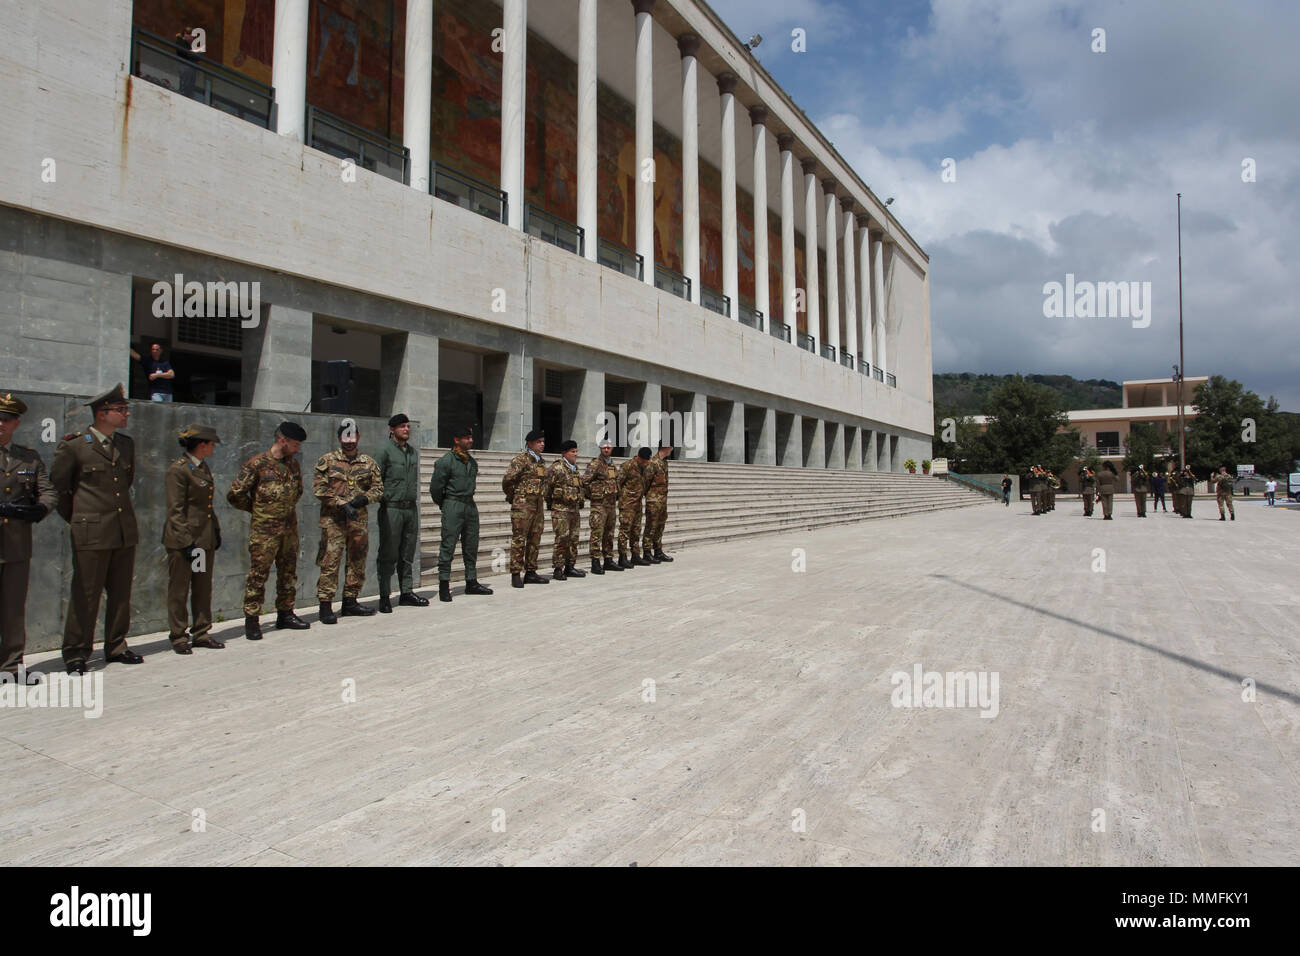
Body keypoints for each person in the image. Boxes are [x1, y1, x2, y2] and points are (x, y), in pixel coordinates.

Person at [51, 384, 142, 672]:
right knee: (85, 594)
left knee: (121, 593)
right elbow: (59, 490)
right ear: (103, 414)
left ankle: (116, 645)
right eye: (120, 410)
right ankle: (77, 652)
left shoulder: (125, 444)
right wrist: (81, 518)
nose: (126, 414)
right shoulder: (75, 445)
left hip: (122, 529)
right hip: (91, 531)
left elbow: (124, 484)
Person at [227, 421, 310, 640]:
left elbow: (298, 491)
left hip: (288, 529)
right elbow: (235, 493)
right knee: (258, 575)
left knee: (288, 573)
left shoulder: (293, 465)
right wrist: (258, 510)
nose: (298, 448)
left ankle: (285, 613)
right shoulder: (258, 464)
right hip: (265, 531)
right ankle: (252, 620)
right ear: (282, 441)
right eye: (295, 444)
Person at [0, 392, 56, 683]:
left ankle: (10, 667)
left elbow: (48, 491)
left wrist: (40, 508)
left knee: (12, 608)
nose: (0, 424)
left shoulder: (28, 458)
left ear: (16, 423)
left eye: (6, 419)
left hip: (16, 544)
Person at [312, 423, 383, 622]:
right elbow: (319, 488)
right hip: (334, 520)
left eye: (352, 438)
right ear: (339, 439)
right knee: (330, 562)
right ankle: (325, 605)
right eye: (346, 439)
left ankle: (350, 601)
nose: (349, 442)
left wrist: (363, 499)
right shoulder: (327, 460)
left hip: (358, 521)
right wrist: (341, 504)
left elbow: (378, 488)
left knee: (357, 560)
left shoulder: (367, 462)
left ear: (358, 437)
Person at [162, 424, 223, 654]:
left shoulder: (202, 467)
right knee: (179, 589)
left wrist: (215, 530)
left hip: (202, 540)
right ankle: (179, 636)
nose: (213, 448)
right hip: (183, 541)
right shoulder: (178, 470)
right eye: (211, 444)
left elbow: (205, 506)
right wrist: (186, 541)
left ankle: (201, 632)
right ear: (201, 445)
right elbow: (175, 510)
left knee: (201, 586)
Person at [428, 424, 493, 601]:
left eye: (471, 438)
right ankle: (444, 584)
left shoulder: (472, 462)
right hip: (453, 504)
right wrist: (446, 504)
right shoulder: (445, 462)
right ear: (457, 440)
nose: (470, 441)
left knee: (471, 545)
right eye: (466, 438)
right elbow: (435, 488)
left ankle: (471, 581)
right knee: (448, 545)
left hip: (469, 505)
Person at [374, 413, 426, 612]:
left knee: (407, 552)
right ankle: (385, 595)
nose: (406, 429)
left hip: (410, 508)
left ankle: (406, 592)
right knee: (388, 552)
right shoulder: (384, 451)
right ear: (392, 429)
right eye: (402, 426)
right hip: (391, 508)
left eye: (408, 426)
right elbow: (374, 479)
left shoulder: (412, 452)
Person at [502, 429, 549, 588]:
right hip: (523, 506)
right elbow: (508, 480)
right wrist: (514, 496)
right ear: (529, 443)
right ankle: (516, 573)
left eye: (543, 442)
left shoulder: (541, 461)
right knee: (519, 539)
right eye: (539, 442)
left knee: (535, 539)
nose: (542, 444)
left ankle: (531, 571)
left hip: (537, 506)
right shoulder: (521, 460)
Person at [544, 440, 586, 581]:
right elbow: (547, 488)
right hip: (561, 510)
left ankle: (570, 566)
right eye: (572, 451)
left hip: (574, 510)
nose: (575, 454)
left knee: (573, 539)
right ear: (564, 453)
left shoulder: (575, 469)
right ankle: (558, 568)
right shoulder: (556, 468)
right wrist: (551, 503)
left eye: (576, 451)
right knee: (562, 539)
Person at [583, 439, 623, 573]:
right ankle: (595, 561)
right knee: (597, 533)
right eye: (604, 447)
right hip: (599, 505)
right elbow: (585, 481)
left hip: (611, 504)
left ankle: (608, 559)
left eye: (609, 447)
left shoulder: (612, 465)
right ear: (600, 448)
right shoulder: (595, 464)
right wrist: (593, 494)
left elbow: (616, 481)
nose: (606, 450)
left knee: (609, 533)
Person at [617, 448, 652, 566]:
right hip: (627, 504)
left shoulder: (645, 467)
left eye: (646, 461)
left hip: (638, 504)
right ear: (638, 457)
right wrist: (622, 497)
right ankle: (622, 556)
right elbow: (618, 482)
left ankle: (635, 555)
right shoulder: (627, 466)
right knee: (625, 530)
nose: (645, 463)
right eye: (643, 460)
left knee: (636, 530)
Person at [642, 441, 674, 562]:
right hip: (653, 501)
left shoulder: (664, 463)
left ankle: (658, 550)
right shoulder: (653, 463)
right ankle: (646, 551)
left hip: (662, 501)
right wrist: (649, 496)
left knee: (660, 526)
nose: (672, 450)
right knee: (651, 526)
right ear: (667, 447)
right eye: (671, 447)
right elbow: (645, 482)